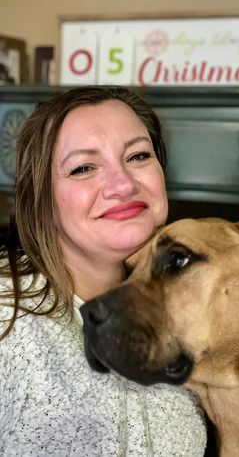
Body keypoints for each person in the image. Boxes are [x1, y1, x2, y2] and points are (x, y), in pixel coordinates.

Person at [0, 86, 207, 456]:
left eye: (138, 155)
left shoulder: (206, 299)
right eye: (83, 167)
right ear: (40, 199)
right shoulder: (6, 318)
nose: (124, 185)